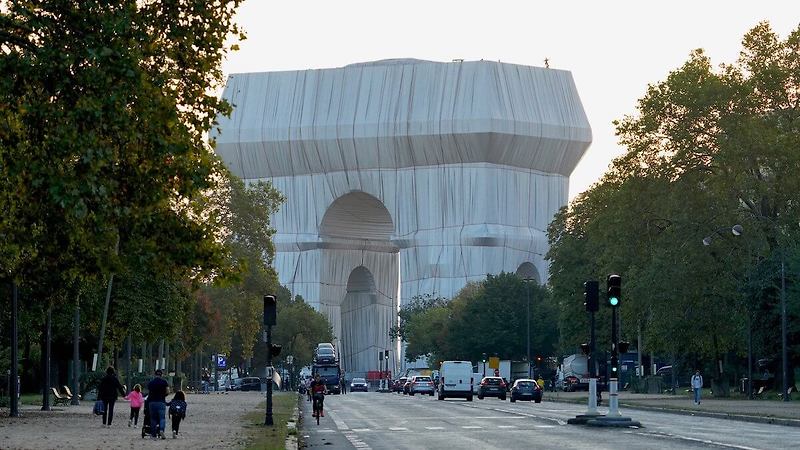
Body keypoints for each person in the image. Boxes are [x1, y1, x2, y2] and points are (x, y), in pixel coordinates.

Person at [147, 369, 170, 439]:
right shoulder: (164, 382)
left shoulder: (151, 383)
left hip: (152, 402)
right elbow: (168, 391)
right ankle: (161, 430)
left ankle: (153, 434)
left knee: (153, 419)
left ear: (155, 374)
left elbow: (149, 391)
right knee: (162, 418)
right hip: (161, 402)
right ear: (161, 375)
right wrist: (163, 395)